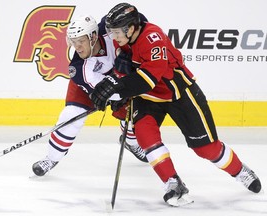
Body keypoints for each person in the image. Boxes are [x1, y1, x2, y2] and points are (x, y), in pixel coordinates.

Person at [90, 3, 262, 207]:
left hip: (179, 93)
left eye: (117, 31)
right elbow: (127, 68)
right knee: (145, 135)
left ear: (131, 27)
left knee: (207, 149)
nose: (113, 36)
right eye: (111, 31)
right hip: (148, 97)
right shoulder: (123, 39)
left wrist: (117, 88)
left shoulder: (152, 38)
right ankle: (173, 183)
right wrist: (116, 83)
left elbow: (148, 79)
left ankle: (240, 170)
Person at [32, 14, 149, 177]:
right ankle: (52, 158)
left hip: (120, 80)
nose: (77, 47)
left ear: (93, 36)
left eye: (81, 41)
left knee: (131, 117)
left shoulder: (107, 29)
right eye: (74, 42)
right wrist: (117, 95)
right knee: (70, 117)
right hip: (90, 87)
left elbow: (136, 17)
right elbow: (101, 92)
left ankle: (130, 143)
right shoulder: (79, 68)